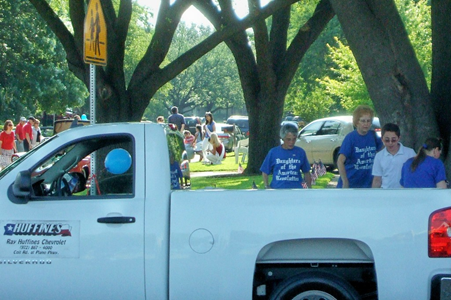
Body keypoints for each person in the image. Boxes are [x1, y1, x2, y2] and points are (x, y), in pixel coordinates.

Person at [337, 105, 383, 188]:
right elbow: (340, 161)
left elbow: (383, 149)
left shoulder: (373, 136)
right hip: (351, 183)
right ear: (357, 122)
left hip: (367, 184)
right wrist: (345, 182)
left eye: (368, 121)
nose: (366, 124)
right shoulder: (351, 138)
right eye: (363, 121)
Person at [260, 123, 311, 189]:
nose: (291, 142)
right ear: (283, 138)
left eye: (294, 139)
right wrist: (267, 186)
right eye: (288, 139)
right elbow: (265, 171)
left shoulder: (300, 152)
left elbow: (306, 172)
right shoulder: (273, 152)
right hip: (277, 189)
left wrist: (309, 189)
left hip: (297, 189)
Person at [372, 123, 416, 188]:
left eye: (393, 140)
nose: (390, 143)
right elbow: (377, 179)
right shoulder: (379, 156)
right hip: (386, 192)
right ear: (382, 139)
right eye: (387, 140)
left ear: (399, 138)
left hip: (405, 192)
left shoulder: (410, 153)